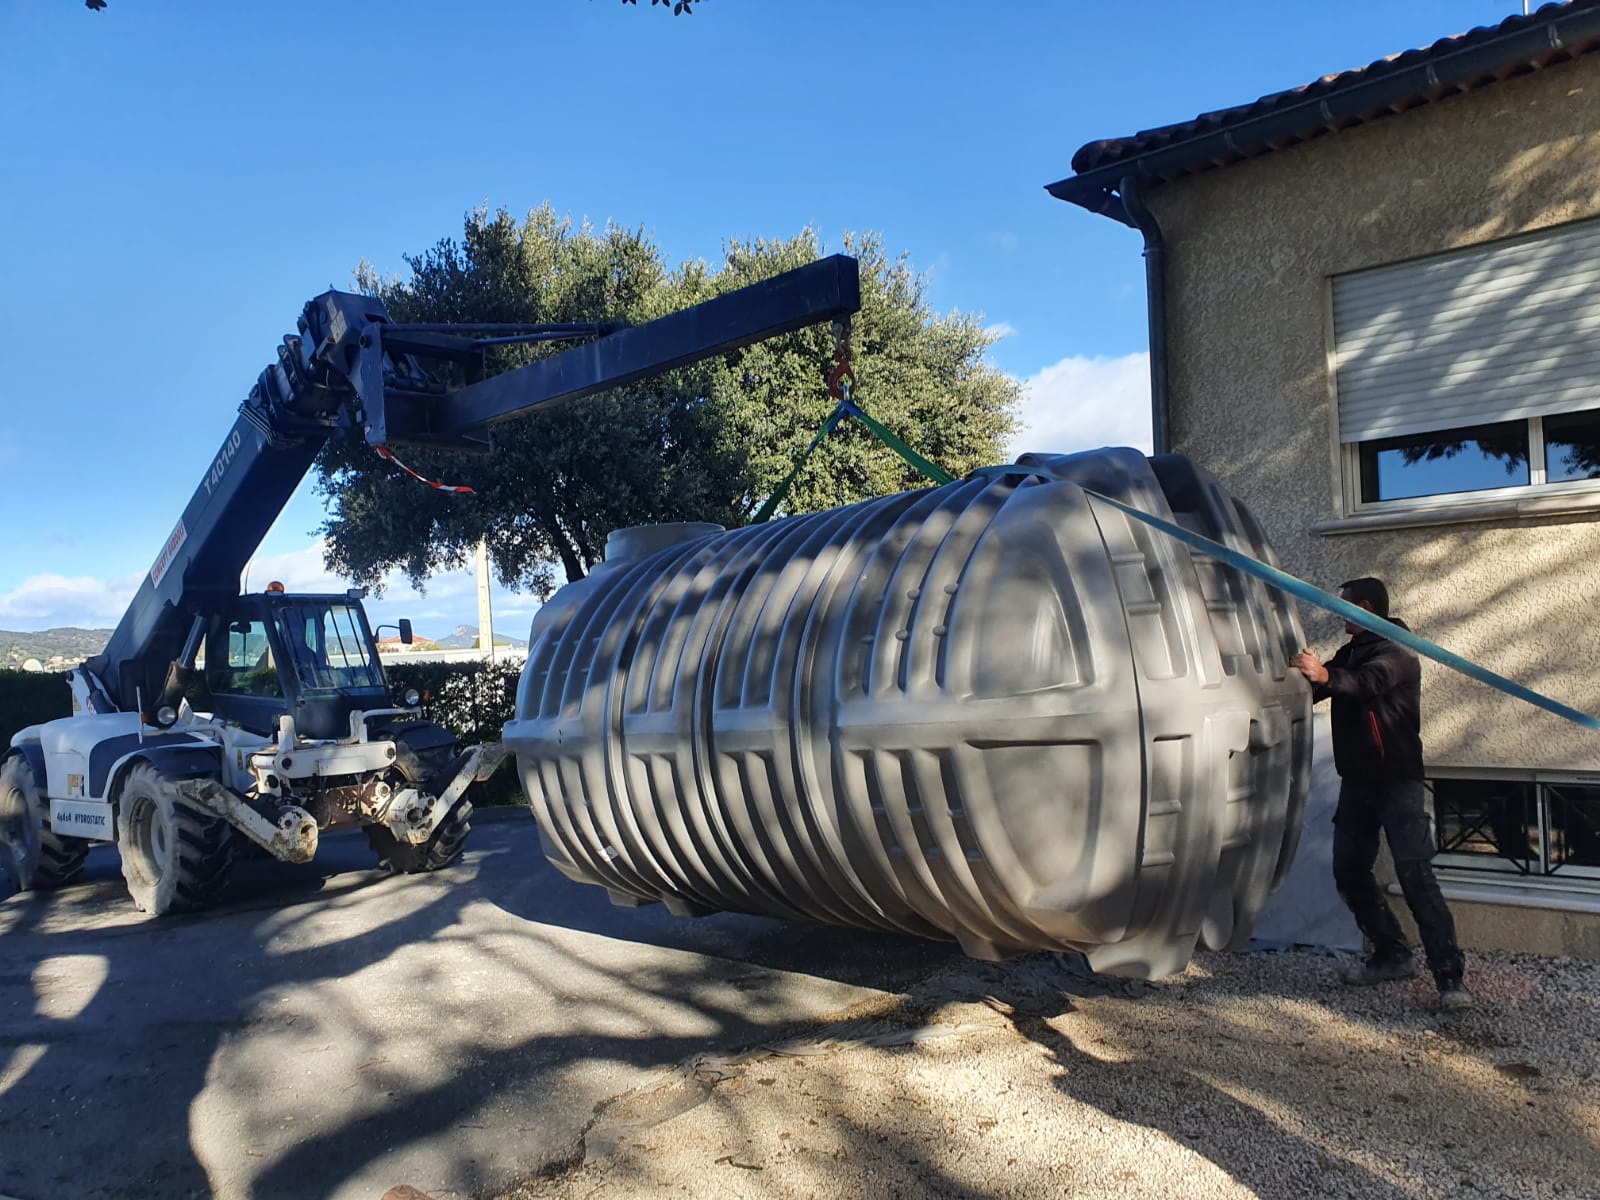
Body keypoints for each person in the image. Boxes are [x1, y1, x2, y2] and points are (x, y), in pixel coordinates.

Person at [1290, 577, 1473, 1013]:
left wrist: (1327, 674)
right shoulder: (1352, 652)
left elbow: (1367, 683)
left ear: (1366, 607)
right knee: (1349, 872)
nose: (1338, 612)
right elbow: (1326, 687)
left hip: (1397, 782)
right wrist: (1302, 678)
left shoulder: (1397, 649)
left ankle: (1450, 978)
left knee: (1416, 876)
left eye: (1345, 605)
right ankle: (1392, 955)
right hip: (1358, 782)